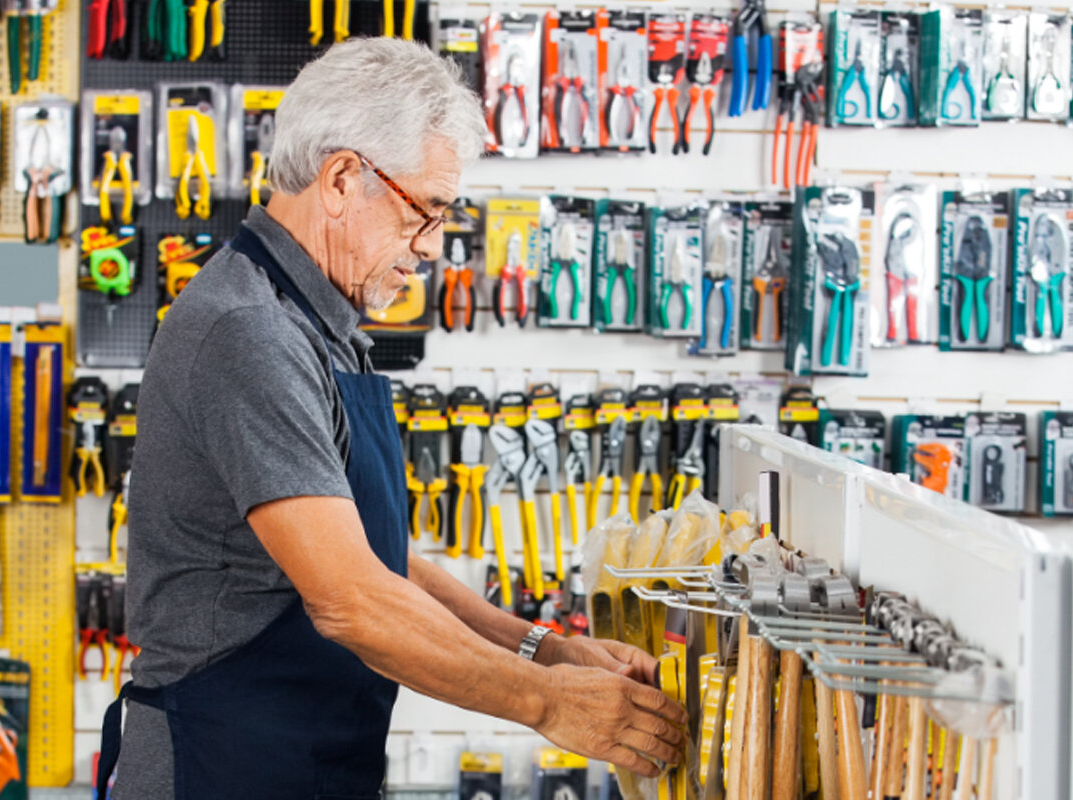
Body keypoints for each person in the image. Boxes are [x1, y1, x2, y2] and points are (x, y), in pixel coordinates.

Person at [97, 38, 686, 799]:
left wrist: (543, 650)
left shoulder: (319, 324)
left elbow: (373, 556)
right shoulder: (248, 332)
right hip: (221, 765)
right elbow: (351, 600)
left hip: (300, 761)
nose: (433, 247)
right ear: (343, 178)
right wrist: (548, 703)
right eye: (426, 211)